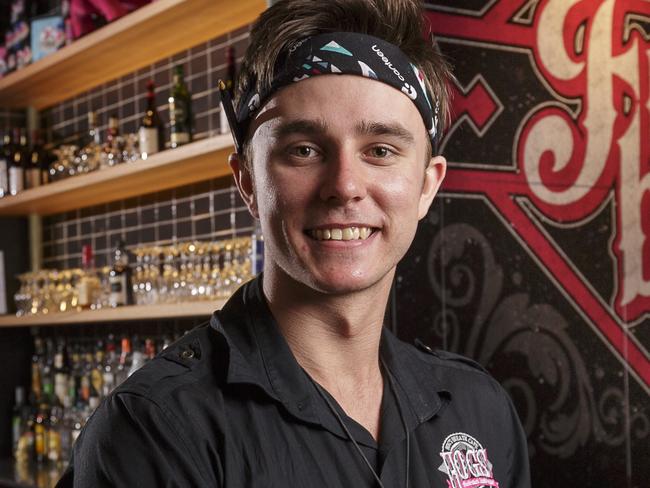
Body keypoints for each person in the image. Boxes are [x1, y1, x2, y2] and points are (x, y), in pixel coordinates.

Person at [57, 0, 531, 486]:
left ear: (427, 186)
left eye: (381, 151)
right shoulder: (157, 431)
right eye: (303, 150)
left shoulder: (479, 407)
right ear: (247, 182)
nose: (345, 186)